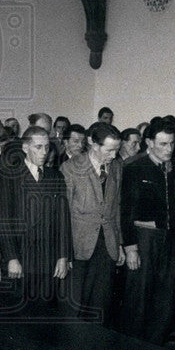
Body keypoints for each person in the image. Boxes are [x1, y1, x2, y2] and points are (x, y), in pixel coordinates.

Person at [119, 118, 175, 345]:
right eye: (162, 144)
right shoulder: (134, 168)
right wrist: (131, 248)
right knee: (138, 298)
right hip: (144, 240)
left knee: (165, 298)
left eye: (171, 144)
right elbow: (126, 211)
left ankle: (154, 348)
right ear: (149, 143)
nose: (169, 149)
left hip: (170, 240)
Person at [0, 126, 70, 318]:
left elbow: (63, 219)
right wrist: (11, 257)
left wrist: (63, 256)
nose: (44, 152)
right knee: (17, 315)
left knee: (45, 316)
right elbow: (2, 219)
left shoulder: (56, 177)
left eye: (46, 147)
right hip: (20, 257)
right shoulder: (9, 175)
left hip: (48, 261)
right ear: (25, 148)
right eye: (38, 147)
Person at [61, 122, 124, 321]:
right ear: (93, 144)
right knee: (74, 306)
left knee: (101, 305)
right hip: (78, 245)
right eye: (109, 150)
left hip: (107, 246)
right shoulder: (70, 167)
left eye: (116, 150)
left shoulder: (116, 167)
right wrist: (64, 251)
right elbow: (63, 212)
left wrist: (120, 244)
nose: (114, 155)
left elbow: (117, 208)